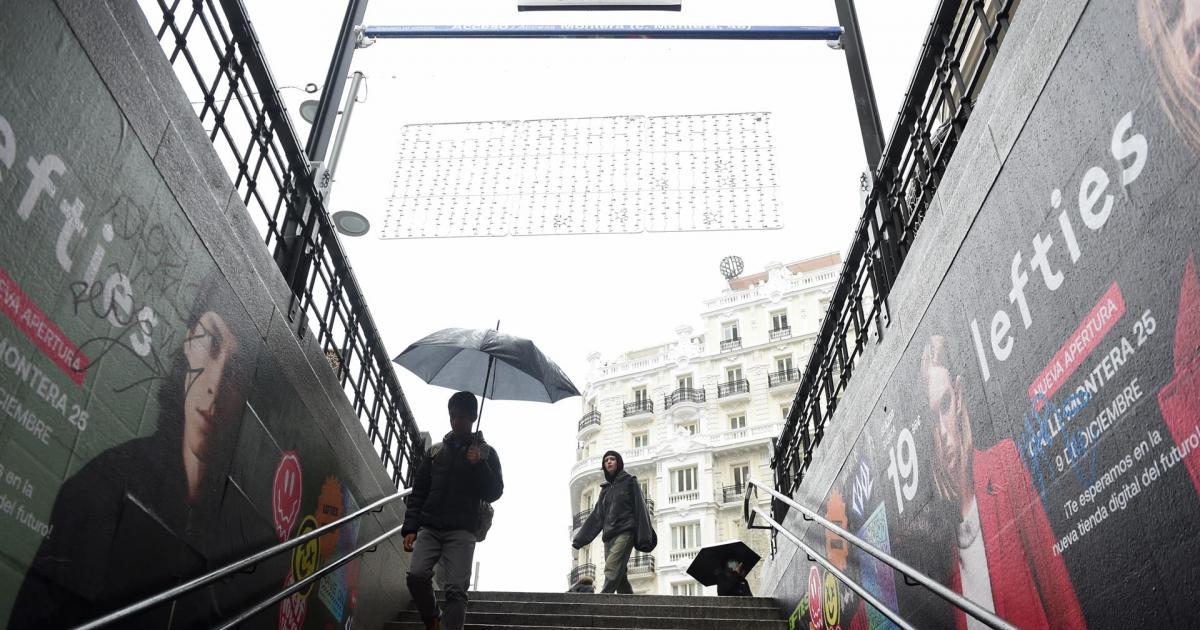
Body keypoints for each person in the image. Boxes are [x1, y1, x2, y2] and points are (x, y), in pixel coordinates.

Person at [9, 274, 258, 628]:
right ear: (188, 342)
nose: (215, 386)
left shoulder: (241, 539)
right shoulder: (100, 487)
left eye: (235, 370)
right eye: (211, 342)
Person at [920, 335, 1085, 630]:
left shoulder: (1003, 464)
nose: (942, 431)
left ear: (958, 397)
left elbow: (1058, 592)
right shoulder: (943, 539)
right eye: (933, 418)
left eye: (945, 404)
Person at [402, 391, 504, 630]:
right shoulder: (436, 451)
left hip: (462, 530)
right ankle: (432, 619)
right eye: (453, 416)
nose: (456, 421)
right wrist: (410, 528)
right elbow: (419, 492)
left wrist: (479, 464)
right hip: (430, 526)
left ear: (473, 417)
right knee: (416, 575)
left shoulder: (486, 453)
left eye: (462, 416)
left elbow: (494, 492)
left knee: (456, 590)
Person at [571, 450, 656, 594]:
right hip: (608, 537)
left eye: (612, 459)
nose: (609, 462)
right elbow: (597, 516)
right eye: (606, 460)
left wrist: (645, 536)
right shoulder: (605, 490)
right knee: (620, 575)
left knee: (611, 567)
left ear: (618, 463)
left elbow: (640, 508)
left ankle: (603, 599)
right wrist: (580, 539)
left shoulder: (630, 481)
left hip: (625, 532)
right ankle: (630, 606)